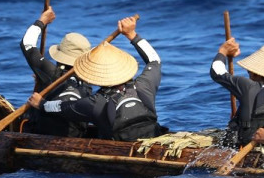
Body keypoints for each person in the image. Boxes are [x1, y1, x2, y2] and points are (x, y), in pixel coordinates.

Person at [28, 16, 164, 141]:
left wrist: (41, 104)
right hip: (154, 140)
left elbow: (61, 107)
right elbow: (155, 60)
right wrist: (132, 35)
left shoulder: (95, 103)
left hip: (122, 149)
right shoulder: (145, 85)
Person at [19, 6, 92, 137]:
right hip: (77, 138)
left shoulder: (51, 73)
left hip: (45, 137)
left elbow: (26, 43)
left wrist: (41, 21)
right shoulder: (89, 80)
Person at [209, 39, 264, 146]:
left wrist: (223, 51)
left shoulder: (249, 86)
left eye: (249, 72)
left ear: (256, 73)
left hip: (247, 147)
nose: (248, 75)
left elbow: (217, 72)